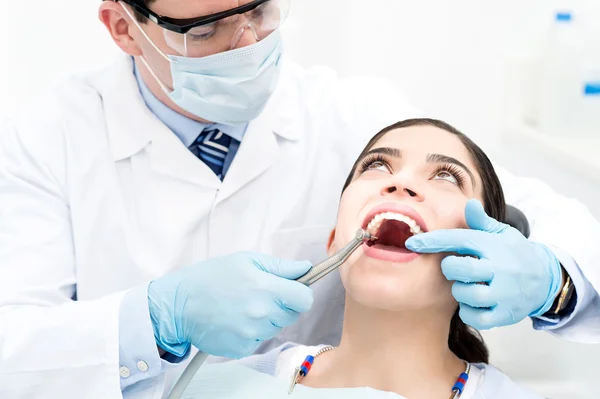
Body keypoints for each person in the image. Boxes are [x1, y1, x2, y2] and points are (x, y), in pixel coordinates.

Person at [0, 0, 598, 398]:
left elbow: (537, 213)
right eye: (205, 28)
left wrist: (555, 280)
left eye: (260, 9)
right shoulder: (45, 139)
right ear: (125, 28)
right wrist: (154, 319)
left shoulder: (352, 115)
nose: (246, 41)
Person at [182, 118, 544, 399]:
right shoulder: (224, 387)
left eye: (447, 175)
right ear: (333, 240)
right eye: (377, 166)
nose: (400, 182)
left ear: (483, 257)